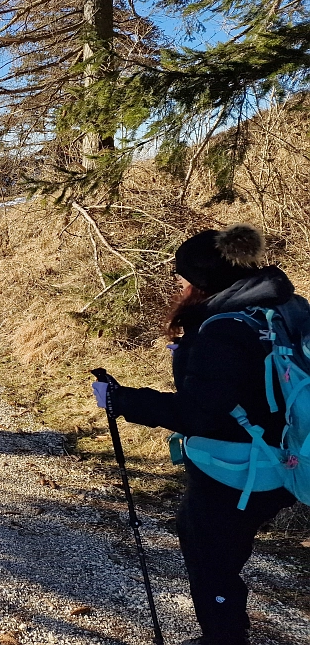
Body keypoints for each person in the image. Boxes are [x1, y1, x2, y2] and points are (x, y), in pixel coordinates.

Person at [94, 224, 297, 645]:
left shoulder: (222, 329)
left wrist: (120, 399)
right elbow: (258, 382)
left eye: (183, 277)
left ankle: (224, 638)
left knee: (211, 560)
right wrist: (193, 359)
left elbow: (198, 414)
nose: (179, 284)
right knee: (214, 545)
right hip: (287, 454)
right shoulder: (284, 306)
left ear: (203, 281)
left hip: (238, 470)